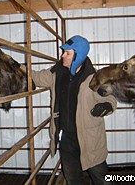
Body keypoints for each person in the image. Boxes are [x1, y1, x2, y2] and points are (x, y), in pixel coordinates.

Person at [31, 35, 117, 185]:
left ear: (79, 55)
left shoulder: (94, 78)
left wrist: (106, 106)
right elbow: (36, 77)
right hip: (67, 138)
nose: (62, 55)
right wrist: (14, 67)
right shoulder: (57, 74)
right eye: (64, 52)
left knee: (102, 179)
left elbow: (110, 98)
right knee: (72, 179)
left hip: (89, 137)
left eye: (67, 53)